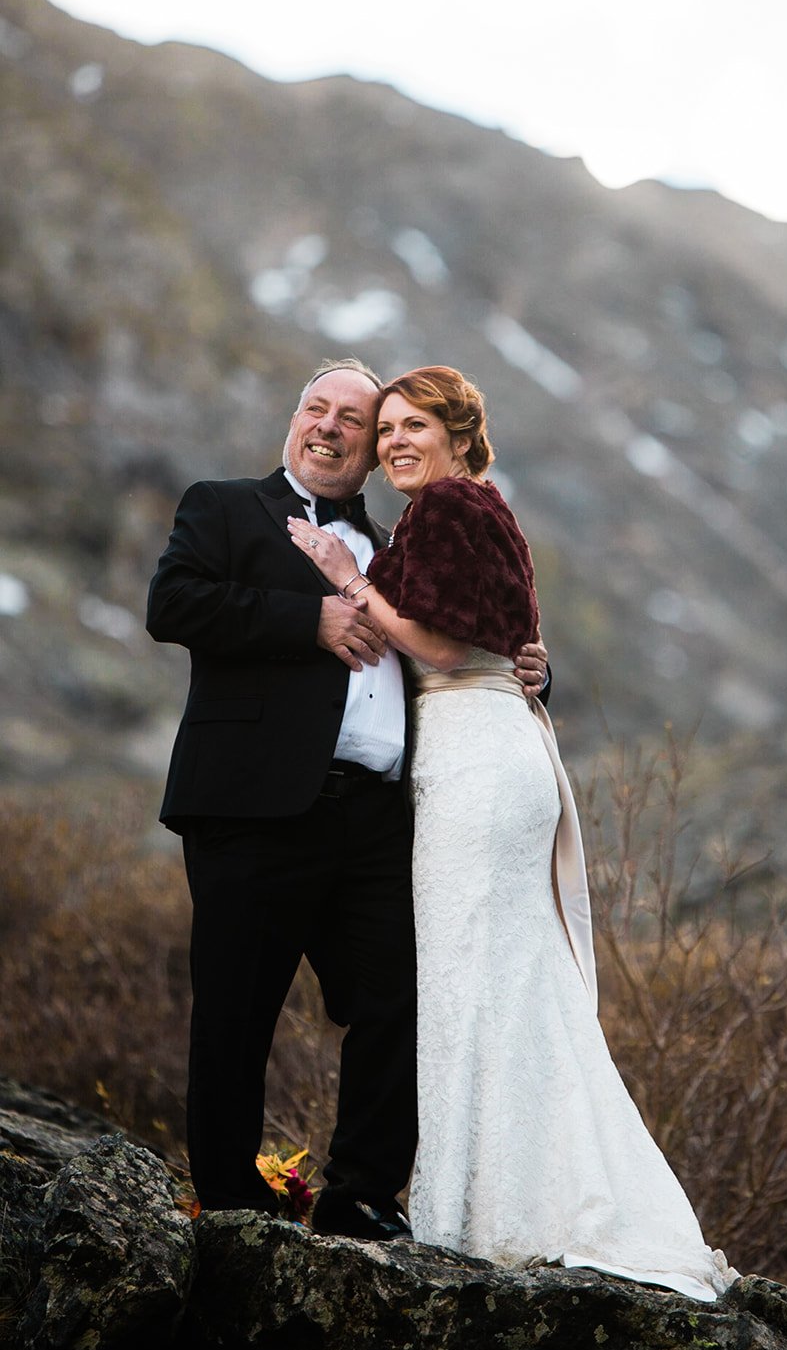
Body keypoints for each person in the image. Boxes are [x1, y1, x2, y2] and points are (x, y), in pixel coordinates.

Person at [289, 366, 737, 1301]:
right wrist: (526, 664)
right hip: (499, 749)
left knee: (469, 981)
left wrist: (347, 579)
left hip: (477, 762)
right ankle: (511, 1198)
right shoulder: (478, 507)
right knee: (507, 979)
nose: (393, 443)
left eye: (415, 425)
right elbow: (501, 639)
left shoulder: (447, 505)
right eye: (387, 431)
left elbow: (447, 648)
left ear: (459, 433)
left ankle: (487, 1213)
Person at [146, 358, 548, 1238]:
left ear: (373, 450)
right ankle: (227, 1198)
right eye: (314, 408)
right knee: (235, 1009)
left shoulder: (400, 542)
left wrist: (525, 663)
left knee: (399, 997)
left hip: (377, 819)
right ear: (294, 420)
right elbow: (173, 604)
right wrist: (308, 620)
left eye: (352, 419)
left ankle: (360, 1192)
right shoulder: (222, 505)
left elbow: (459, 634)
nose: (328, 425)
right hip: (250, 807)